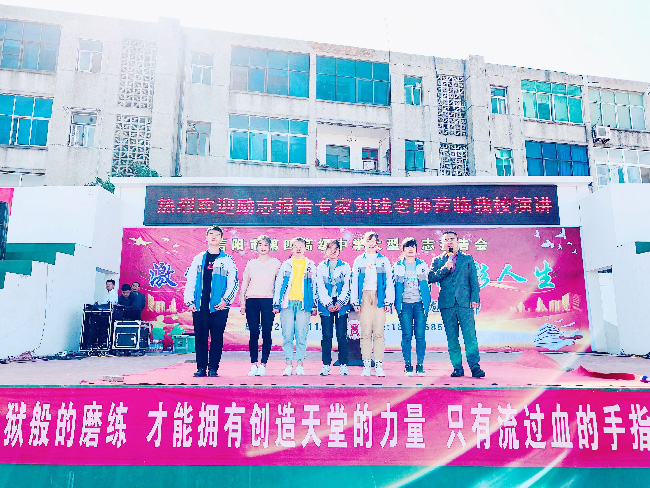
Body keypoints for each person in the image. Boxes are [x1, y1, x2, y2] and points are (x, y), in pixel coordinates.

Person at [428, 230, 485, 378]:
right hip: (447, 304)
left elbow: (474, 280)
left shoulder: (467, 259)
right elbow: (431, 278)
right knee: (452, 338)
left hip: (464, 303)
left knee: (470, 336)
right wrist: (445, 268)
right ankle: (457, 368)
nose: (449, 242)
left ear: (458, 242)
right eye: (446, 240)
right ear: (442, 243)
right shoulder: (438, 261)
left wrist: (474, 299)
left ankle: (475, 367)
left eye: (452, 239)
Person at [184, 225, 239, 378]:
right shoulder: (198, 259)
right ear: (206, 238)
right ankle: (201, 368)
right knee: (200, 338)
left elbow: (233, 283)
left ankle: (213, 368)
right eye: (211, 234)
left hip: (219, 307)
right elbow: (190, 281)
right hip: (200, 306)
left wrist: (225, 301)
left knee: (217, 338)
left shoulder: (227, 260)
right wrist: (190, 301)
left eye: (217, 235)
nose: (214, 237)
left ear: (221, 239)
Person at [351, 231, 394, 377]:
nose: (371, 244)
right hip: (364, 296)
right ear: (364, 243)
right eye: (368, 241)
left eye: (373, 241)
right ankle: (367, 365)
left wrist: (388, 301)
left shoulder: (383, 260)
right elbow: (354, 282)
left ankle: (379, 364)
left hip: (379, 297)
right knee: (365, 332)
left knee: (378, 332)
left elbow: (389, 281)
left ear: (377, 243)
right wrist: (355, 301)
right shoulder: (359, 260)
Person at [273, 237, 317, 376]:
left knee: (301, 335)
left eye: (301, 246)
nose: (298, 248)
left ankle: (300, 365)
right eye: (295, 246)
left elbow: (314, 286)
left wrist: (314, 305)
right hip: (287, 304)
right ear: (291, 249)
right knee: (287, 335)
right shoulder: (286, 264)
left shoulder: (310, 265)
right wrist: (276, 303)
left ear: (305, 248)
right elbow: (279, 284)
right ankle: (288, 365)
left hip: (304, 304)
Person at [240, 235, 281, 377]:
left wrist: (277, 303)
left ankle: (263, 364)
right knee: (253, 333)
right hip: (252, 300)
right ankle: (253, 364)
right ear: (256, 247)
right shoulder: (251, 263)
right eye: (260, 245)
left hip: (268, 300)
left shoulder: (275, 263)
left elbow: (279, 285)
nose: (263, 248)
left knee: (266, 333)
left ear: (270, 247)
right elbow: (245, 283)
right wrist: (242, 303)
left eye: (266, 245)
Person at [393, 237, 431, 377]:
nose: (410, 249)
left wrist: (426, 302)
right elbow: (393, 286)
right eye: (407, 247)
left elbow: (428, 285)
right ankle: (408, 365)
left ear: (416, 249)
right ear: (402, 250)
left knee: (420, 336)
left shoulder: (422, 265)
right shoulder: (397, 266)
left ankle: (420, 365)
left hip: (420, 305)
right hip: (405, 305)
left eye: (413, 247)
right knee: (407, 335)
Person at [315, 239, 351, 376]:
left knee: (341, 335)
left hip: (341, 304)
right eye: (330, 248)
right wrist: (328, 303)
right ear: (325, 251)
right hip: (326, 305)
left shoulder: (345, 266)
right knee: (327, 335)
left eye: (336, 248)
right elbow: (320, 286)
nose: (333, 251)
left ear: (339, 251)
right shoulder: (320, 267)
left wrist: (340, 302)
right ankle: (326, 365)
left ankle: (343, 365)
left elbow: (347, 286)